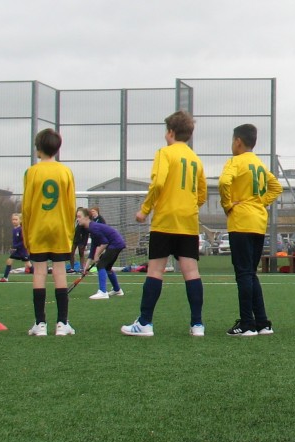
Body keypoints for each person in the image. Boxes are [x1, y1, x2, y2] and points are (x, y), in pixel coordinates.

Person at [121, 110, 207, 337]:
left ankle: (145, 323)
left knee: (156, 270)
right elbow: (202, 193)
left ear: (170, 132)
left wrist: (144, 209)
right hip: (188, 222)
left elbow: (157, 183)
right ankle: (197, 325)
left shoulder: (164, 153)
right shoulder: (195, 159)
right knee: (191, 271)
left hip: (165, 221)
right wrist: (189, 207)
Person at [218, 123, 282, 336]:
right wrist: (260, 202)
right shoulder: (259, 164)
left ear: (237, 141)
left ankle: (246, 323)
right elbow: (276, 187)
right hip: (258, 222)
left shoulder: (236, 161)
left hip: (241, 222)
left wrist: (228, 204)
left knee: (243, 273)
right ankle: (262, 322)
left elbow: (224, 181)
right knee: (251, 273)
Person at [22, 128, 78, 336]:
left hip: (38, 228)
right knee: (60, 271)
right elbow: (72, 205)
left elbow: (26, 207)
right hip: (60, 228)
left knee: (39, 272)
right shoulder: (65, 172)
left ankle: (40, 324)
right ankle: (62, 323)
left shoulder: (31, 172)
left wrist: (26, 232)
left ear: (38, 148)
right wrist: (69, 230)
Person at [77, 210, 125, 299]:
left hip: (115, 244)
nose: (77, 219)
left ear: (87, 217)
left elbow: (105, 242)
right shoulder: (91, 229)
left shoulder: (93, 227)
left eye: (79, 217)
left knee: (101, 265)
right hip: (118, 244)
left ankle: (103, 292)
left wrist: (97, 255)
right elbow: (93, 248)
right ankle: (117, 290)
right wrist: (85, 267)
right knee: (107, 267)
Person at [0, 213, 31, 282]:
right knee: (9, 261)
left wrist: (15, 246)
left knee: (28, 264)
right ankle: (5, 278)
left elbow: (23, 241)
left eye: (16, 219)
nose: (14, 221)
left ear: (20, 220)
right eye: (13, 219)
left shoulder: (21, 229)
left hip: (22, 250)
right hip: (17, 250)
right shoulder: (14, 229)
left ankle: (39, 275)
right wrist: (14, 247)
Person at [70, 206, 88, 273]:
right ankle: (72, 268)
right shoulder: (74, 220)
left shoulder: (83, 221)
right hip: (74, 240)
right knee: (71, 253)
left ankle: (81, 268)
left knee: (81, 254)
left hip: (81, 241)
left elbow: (86, 233)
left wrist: (84, 243)